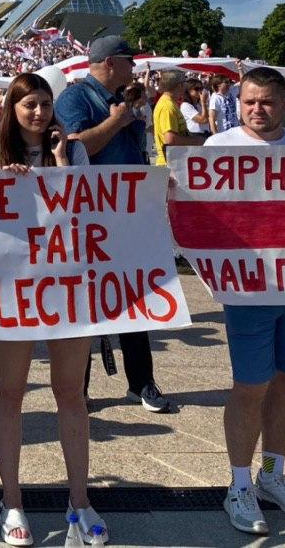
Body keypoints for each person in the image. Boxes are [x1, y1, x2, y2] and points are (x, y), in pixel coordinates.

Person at [0, 73, 104, 547]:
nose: (39, 112)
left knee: (71, 393)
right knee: (10, 392)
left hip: (67, 285)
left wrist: (64, 161)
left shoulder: (75, 150)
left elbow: (92, 209)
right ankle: (11, 499)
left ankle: (80, 501)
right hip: (14, 288)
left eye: (45, 103)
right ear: (12, 107)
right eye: (29, 104)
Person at [199, 67, 285, 535]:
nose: (257, 109)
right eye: (249, 101)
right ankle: (238, 484)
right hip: (248, 290)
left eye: (266, 102)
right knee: (250, 386)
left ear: (283, 103)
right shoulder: (219, 148)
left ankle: (272, 474)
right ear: (239, 101)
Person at [54, 36, 171, 415]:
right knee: (87, 302)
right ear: (108, 63)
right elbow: (74, 149)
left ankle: (141, 381)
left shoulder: (122, 98)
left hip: (129, 210)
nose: (133, 68)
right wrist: (117, 120)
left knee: (132, 295)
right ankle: (79, 389)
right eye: (128, 61)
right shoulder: (75, 99)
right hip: (92, 212)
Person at [152, 70, 206, 165]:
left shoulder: (170, 103)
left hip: (174, 161)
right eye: (185, 83)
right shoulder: (167, 106)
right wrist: (198, 140)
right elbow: (171, 139)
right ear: (179, 85)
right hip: (170, 163)